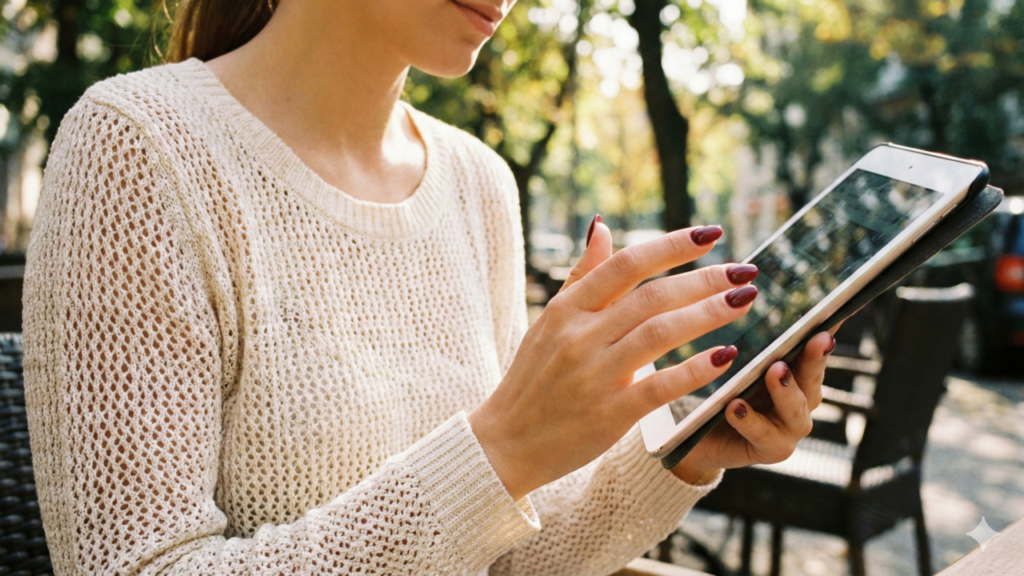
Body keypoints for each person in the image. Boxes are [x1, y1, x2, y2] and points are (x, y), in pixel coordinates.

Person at [22, 0, 835, 574]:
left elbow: (510, 560)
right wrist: (500, 449)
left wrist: (681, 455)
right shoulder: (137, 150)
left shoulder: (479, 185)